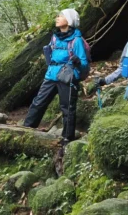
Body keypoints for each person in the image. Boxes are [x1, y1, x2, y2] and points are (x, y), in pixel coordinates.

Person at [22, 8, 88, 144]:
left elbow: (84, 64)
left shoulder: (77, 40)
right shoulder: (55, 37)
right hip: (51, 74)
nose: (57, 18)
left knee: (67, 107)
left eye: (61, 16)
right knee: (38, 102)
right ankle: (26, 129)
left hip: (67, 77)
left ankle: (67, 138)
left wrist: (78, 63)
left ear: (69, 21)